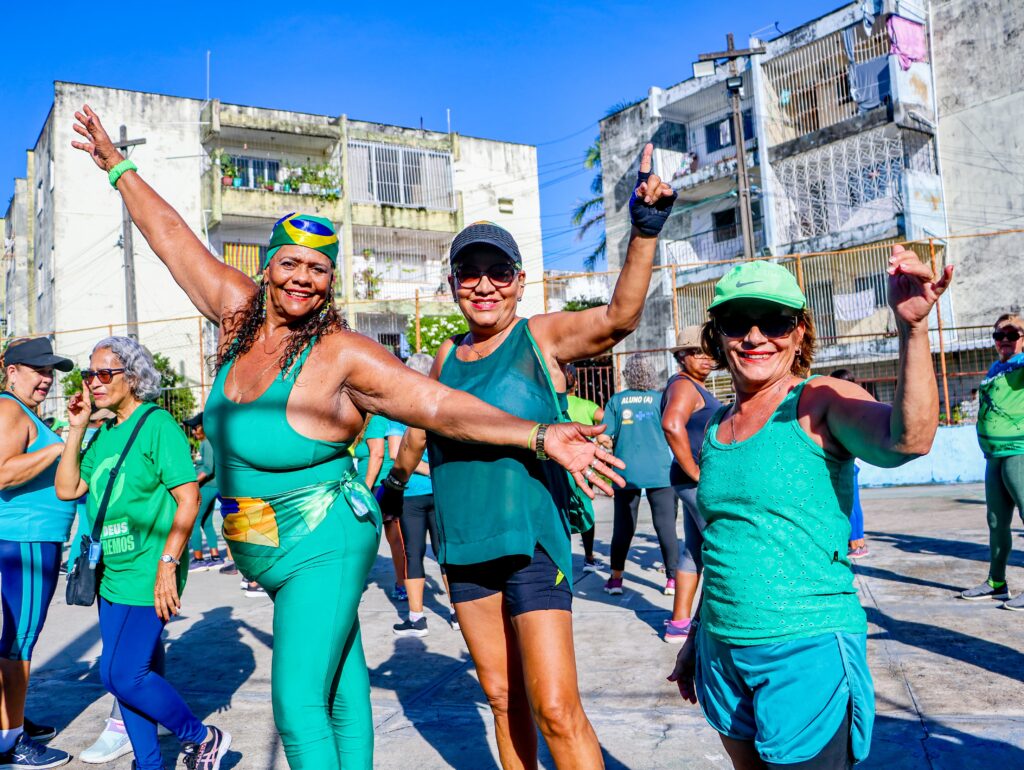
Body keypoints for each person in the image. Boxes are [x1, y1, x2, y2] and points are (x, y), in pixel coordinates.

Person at [72, 104, 620, 770]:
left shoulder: (343, 355)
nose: (302, 278)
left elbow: (439, 405)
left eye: (319, 269)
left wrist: (539, 435)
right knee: (339, 687)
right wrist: (119, 168)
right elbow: (172, 239)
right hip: (260, 543)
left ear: (331, 281)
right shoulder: (236, 315)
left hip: (322, 538)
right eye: (291, 263)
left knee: (297, 701)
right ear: (268, 265)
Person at [380, 144, 676, 769]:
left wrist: (646, 230)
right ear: (453, 285)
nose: (483, 284)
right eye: (469, 272)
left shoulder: (538, 335)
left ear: (518, 281)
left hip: (531, 544)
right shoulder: (443, 358)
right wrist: (392, 488)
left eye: (498, 271)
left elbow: (620, 318)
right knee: (501, 698)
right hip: (464, 547)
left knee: (557, 710)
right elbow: (418, 435)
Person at [668, 250, 952, 769]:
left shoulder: (817, 401)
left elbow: (908, 440)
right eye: (737, 321)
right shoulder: (714, 425)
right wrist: (698, 636)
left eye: (775, 321)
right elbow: (728, 539)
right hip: (722, 650)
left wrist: (912, 329)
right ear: (717, 335)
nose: (755, 337)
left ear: (800, 333)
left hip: (805, 649)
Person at [54, 337, 229, 770]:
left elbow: (188, 498)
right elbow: (67, 488)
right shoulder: (104, 434)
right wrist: (77, 428)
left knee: (120, 674)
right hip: (110, 572)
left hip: (150, 568)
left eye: (104, 373)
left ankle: (203, 737)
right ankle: (149, 764)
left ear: (132, 377)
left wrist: (169, 564)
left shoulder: (157, 425)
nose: (93, 382)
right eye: (89, 374)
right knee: (127, 678)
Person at [0, 337, 76, 768]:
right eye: (38, 370)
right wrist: (59, 447)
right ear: (11, 371)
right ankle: (9, 743)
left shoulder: (23, 411)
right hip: (25, 540)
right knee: (20, 640)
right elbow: (2, 472)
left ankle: (8, 720)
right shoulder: (9, 409)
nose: (46, 379)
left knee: (17, 638)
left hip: (33, 539)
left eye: (50, 372)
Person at [660, 326, 721, 643]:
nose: (706, 358)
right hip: (695, 481)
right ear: (682, 356)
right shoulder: (684, 385)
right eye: (697, 352)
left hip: (689, 480)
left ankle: (679, 623)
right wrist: (695, 471)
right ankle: (715, 620)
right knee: (723, 547)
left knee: (693, 550)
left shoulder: (691, 385)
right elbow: (672, 425)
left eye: (709, 351)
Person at [389, 353, 456, 637]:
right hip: (441, 490)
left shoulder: (400, 410)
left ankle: (417, 619)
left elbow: (395, 453)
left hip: (412, 493)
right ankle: (458, 612)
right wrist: (435, 472)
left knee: (413, 553)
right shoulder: (443, 407)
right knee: (446, 552)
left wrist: (424, 470)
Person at [600, 354, 678, 597]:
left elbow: (604, 436)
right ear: (651, 374)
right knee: (666, 526)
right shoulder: (660, 399)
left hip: (626, 471)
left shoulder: (617, 401)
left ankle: (616, 579)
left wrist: (612, 444)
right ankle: (672, 580)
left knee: (623, 527)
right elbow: (673, 430)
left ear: (627, 375)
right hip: (660, 470)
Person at [961, 313, 1024, 610]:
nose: (1004, 340)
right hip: (994, 456)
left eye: (1012, 334)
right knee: (996, 522)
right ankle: (997, 582)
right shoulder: (996, 368)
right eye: (999, 335)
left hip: (1017, 451)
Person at [353, 412, 407, 600]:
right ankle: (400, 585)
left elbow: (377, 455)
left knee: (387, 537)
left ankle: (402, 585)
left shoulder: (376, 420)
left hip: (379, 486)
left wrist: (366, 490)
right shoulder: (363, 425)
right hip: (372, 485)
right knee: (367, 538)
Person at [564, 363, 604, 573]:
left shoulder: (554, 404)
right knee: (585, 510)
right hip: (582, 468)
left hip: (558, 466)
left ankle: (562, 559)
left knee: (560, 512)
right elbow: (606, 419)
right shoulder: (587, 406)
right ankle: (589, 558)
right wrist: (599, 438)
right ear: (576, 385)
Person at [831, 369, 869, 560]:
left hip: (849, 459)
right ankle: (858, 542)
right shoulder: (856, 400)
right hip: (854, 458)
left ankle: (856, 544)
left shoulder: (847, 404)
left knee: (850, 503)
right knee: (854, 502)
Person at [183, 412, 225, 571]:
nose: (193, 431)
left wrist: (192, 484)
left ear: (204, 427)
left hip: (207, 486)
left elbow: (208, 468)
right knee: (206, 522)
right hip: (211, 486)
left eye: (195, 428)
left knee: (194, 521)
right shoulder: (207, 443)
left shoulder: (207, 443)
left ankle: (199, 559)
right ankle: (215, 557)